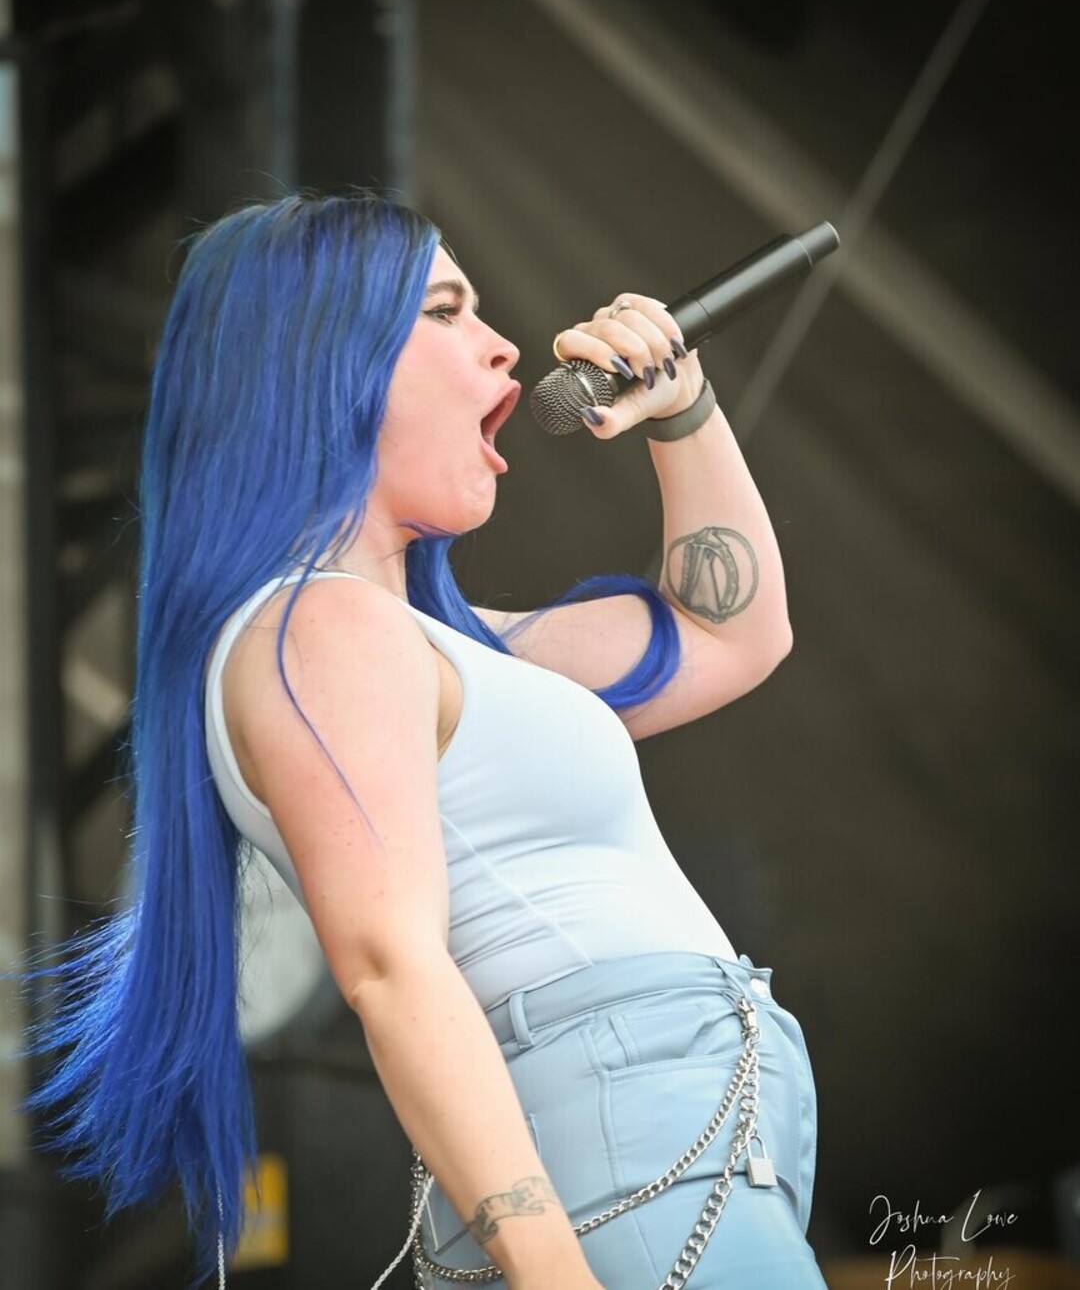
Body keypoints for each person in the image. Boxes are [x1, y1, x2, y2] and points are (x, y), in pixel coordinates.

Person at [27, 191, 828, 1289]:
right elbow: (389, 964)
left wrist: (685, 413)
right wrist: (549, 1270)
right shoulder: (322, 628)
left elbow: (732, 634)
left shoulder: (433, 645)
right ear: (322, 360)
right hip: (617, 1132)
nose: (505, 346)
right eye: (446, 310)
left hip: (667, 1124)